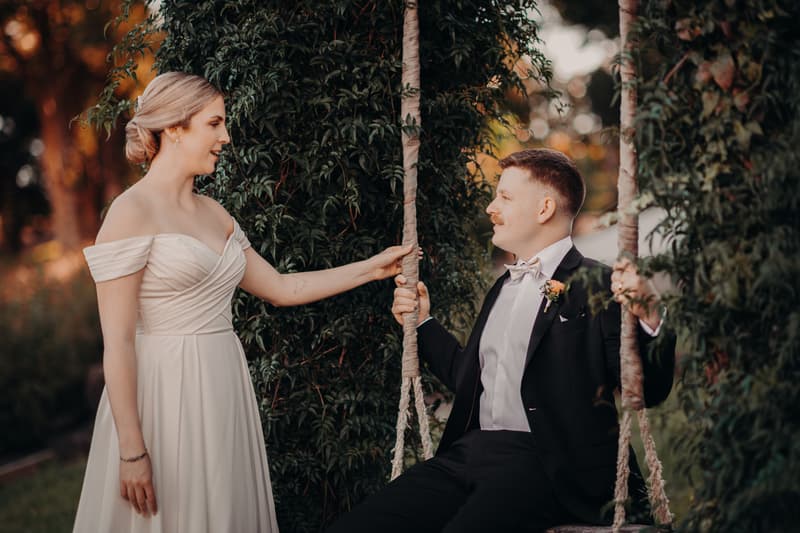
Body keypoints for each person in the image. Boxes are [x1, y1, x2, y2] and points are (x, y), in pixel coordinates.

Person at [73, 71, 412, 533]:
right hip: (164, 393)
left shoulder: (216, 213)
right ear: (174, 126)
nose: (226, 137)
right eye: (214, 124)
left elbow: (282, 288)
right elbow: (117, 344)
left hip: (223, 384)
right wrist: (132, 449)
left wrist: (373, 268)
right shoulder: (131, 212)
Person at [327, 148, 676, 533]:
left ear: (544, 208)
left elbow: (645, 389)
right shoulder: (502, 288)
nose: (491, 208)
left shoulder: (599, 284)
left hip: (547, 463)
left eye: (505, 197)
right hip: (471, 453)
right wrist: (423, 322)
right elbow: (467, 377)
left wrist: (650, 319)